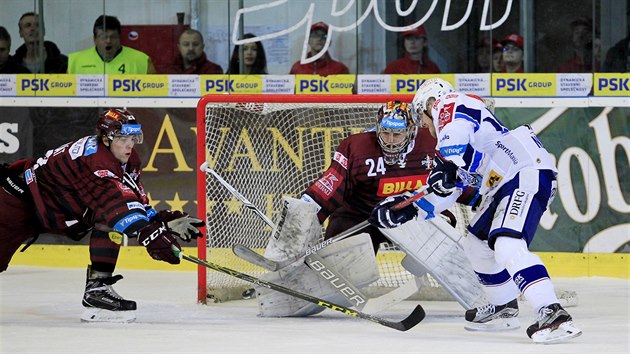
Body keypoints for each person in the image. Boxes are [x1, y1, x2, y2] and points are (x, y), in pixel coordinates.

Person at [370, 78, 582, 344]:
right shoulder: (456, 144)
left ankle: (553, 313)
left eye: (422, 116)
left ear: (430, 103)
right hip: (503, 183)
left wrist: (449, 162)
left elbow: (453, 142)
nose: (424, 124)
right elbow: (450, 189)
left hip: (525, 172)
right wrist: (410, 209)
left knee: (507, 244)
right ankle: (504, 307)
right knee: (476, 243)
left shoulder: (450, 104)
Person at [0, 108, 203, 323]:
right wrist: (151, 234)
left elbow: (133, 199)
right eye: (123, 138)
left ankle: (97, 290)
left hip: (54, 206)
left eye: (133, 138)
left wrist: (160, 220)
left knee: (109, 221)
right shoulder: (97, 161)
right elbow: (117, 206)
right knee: (113, 216)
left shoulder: (127, 158)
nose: (129, 144)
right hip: (16, 202)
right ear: (106, 138)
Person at [68, 15, 156, 74]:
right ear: (94, 39)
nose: (108, 41)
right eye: (103, 37)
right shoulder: (75, 61)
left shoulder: (141, 61)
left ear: (119, 38)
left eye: (113, 37)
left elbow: (156, 94)